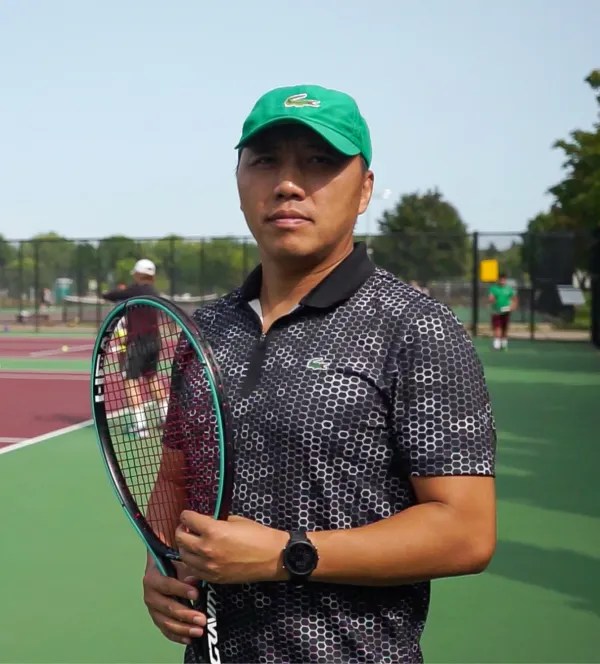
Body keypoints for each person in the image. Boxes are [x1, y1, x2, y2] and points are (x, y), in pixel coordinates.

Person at [143, 85, 497, 663]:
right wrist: (160, 564)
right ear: (238, 182)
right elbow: (176, 479)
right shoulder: (204, 330)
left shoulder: (415, 328)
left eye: (318, 161)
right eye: (265, 161)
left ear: (365, 189)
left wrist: (288, 555)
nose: (288, 183)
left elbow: (466, 532)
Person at [102, 259, 168, 435]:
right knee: (152, 377)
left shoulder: (136, 291)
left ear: (139, 274)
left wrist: (105, 293)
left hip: (138, 341)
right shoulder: (154, 292)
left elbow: (112, 295)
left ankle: (140, 425)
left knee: (130, 380)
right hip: (154, 341)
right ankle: (166, 419)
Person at [488, 272, 518, 350]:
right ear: (498, 279)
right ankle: (497, 344)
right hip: (496, 312)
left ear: (505, 280)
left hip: (506, 311)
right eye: (500, 279)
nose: (502, 280)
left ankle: (504, 343)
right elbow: (491, 297)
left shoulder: (509, 289)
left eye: (503, 279)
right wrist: (492, 300)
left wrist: (513, 306)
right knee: (497, 327)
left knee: (505, 328)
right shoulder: (494, 288)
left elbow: (514, 299)